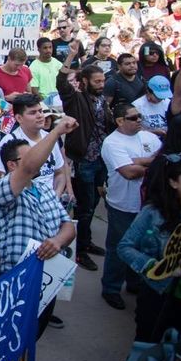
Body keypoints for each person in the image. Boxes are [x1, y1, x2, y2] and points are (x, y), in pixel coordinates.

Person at [0, 119, 78, 337]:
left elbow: (68, 226)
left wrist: (57, 241)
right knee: (6, 340)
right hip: (12, 279)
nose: (39, 160)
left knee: (32, 337)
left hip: (46, 280)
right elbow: (29, 167)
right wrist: (56, 131)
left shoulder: (44, 190)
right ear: (11, 165)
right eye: (32, 155)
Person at [119, 154, 181, 342]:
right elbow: (125, 247)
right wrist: (153, 267)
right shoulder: (154, 213)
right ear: (174, 183)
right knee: (147, 352)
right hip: (159, 295)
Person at [101, 101, 160, 310]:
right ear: (119, 121)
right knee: (118, 248)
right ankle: (111, 288)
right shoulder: (112, 143)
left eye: (139, 117)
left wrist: (139, 161)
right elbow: (128, 172)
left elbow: (160, 159)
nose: (139, 121)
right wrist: (151, 164)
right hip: (122, 205)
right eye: (133, 118)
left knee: (143, 246)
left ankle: (134, 282)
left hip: (146, 206)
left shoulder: (149, 137)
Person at [57, 45, 111, 271]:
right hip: (83, 159)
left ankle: (87, 242)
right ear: (85, 81)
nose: (101, 85)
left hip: (101, 158)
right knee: (84, 206)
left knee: (93, 202)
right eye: (97, 81)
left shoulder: (103, 101)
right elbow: (62, 84)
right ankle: (78, 251)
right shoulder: (77, 99)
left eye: (103, 81)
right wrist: (70, 55)